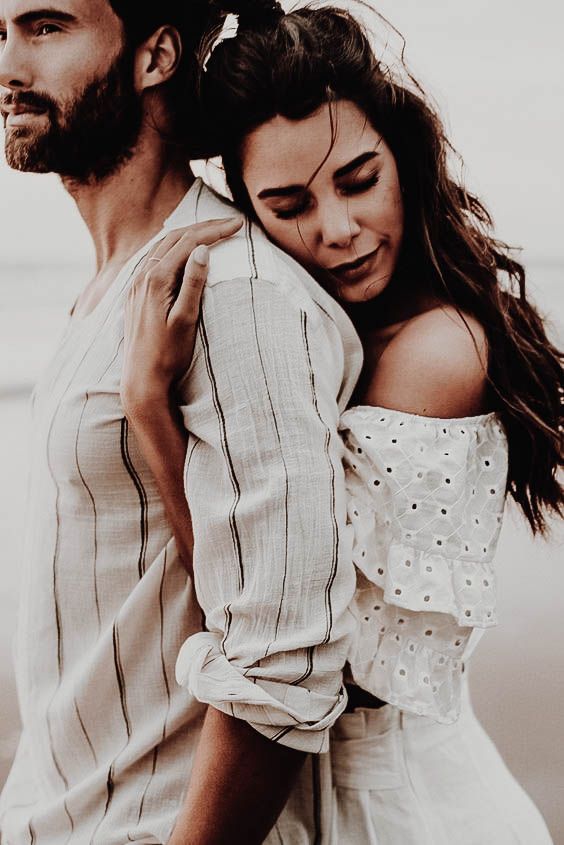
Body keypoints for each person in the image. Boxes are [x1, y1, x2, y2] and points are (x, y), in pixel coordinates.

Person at [121, 2, 564, 843]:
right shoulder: (337, 334)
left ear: (402, 153)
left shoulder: (438, 349)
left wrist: (151, 409)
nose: (338, 228)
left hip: (413, 815)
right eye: (288, 205)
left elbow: (307, 637)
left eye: (359, 179)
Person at [0, 2, 366, 844]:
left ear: (155, 53)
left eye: (47, 28)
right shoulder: (121, 285)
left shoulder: (234, 294)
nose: (11, 64)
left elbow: (285, 663)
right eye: (4, 31)